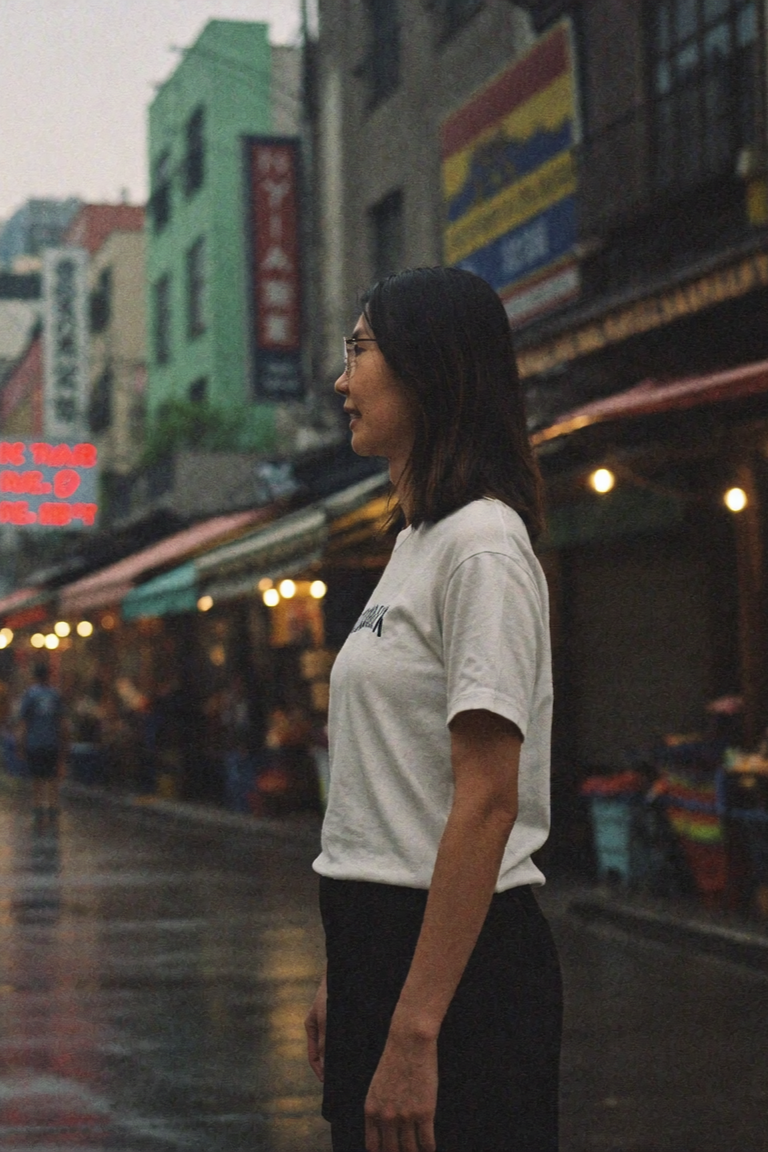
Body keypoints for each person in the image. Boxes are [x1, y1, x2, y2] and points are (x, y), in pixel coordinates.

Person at [305, 267, 562, 1152]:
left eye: (360, 350)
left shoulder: (483, 546)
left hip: (462, 975)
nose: (343, 381)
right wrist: (346, 979)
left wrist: (415, 1030)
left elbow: (487, 798)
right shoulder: (417, 540)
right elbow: (388, 788)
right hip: (383, 949)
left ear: (429, 367)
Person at [19, 661, 65, 828]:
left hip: (34, 742)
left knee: (37, 778)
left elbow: (24, 722)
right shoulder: (55, 695)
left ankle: (38, 807)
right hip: (52, 742)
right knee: (52, 777)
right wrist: (64, 743)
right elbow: (61, 722)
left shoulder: (30, 695)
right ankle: (53, 807)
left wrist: (21, 744)